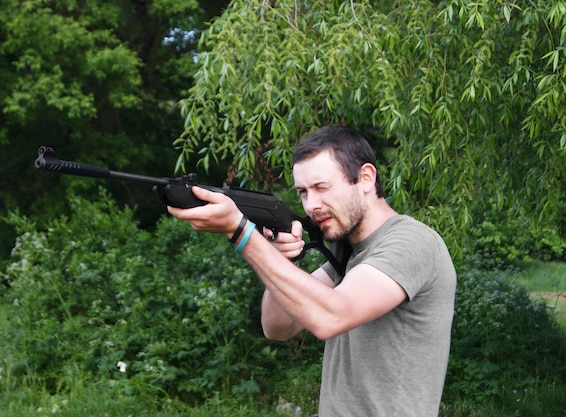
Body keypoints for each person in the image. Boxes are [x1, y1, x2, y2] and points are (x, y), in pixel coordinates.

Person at [168, 124, 457, 417]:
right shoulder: (350, 254)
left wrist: (242, 233)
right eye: (303, 192)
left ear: (366, 178)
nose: (311, 205)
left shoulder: (411, 242)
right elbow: (278, 327)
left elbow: (330, 316)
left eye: (322, 187)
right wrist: (282, 257)